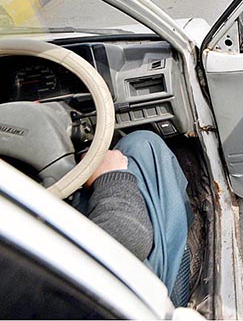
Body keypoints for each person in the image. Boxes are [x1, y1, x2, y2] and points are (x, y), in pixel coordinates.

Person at [71, 131, 194, 307]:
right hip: (135, 299)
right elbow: (126, 240)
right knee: (143, 146)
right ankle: (181, 249)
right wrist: (111, 178)